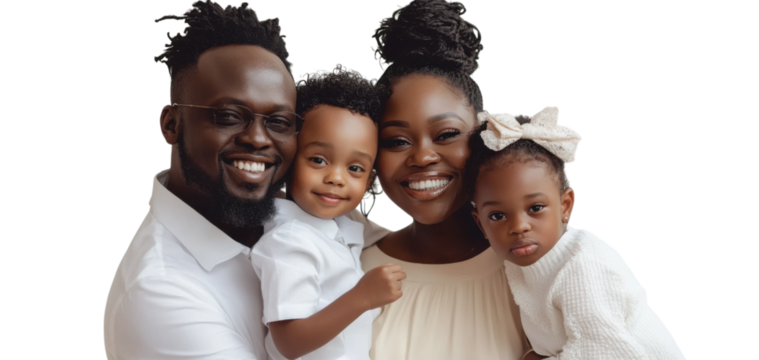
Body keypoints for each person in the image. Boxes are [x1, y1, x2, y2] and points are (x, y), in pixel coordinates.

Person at [103, 2, 390, 359]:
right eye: (228, 116)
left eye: (280, 122)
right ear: (170, 123)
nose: (258, 139)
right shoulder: (161, 291)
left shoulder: (299, 208)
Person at [360, 0, 528, 359]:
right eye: (397, 141)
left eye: (447, 133)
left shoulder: (531, 264)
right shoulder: (350, 272)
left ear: (483, 135)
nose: (422, 157)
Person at [466, 105, 686, 359]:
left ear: (565, 205)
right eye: (497, 216)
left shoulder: (582, 266)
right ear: (481, 223)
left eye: (535, 208)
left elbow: (608, 353)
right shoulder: (521, 263)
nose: (518, 226)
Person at [251, 64, 405, 360]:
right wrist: (362, 298)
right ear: (292, 157)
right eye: (319, 160)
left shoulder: (338, 227)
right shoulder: (289, 242)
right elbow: (289, 342)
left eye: (355, 168)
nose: (336, 177)